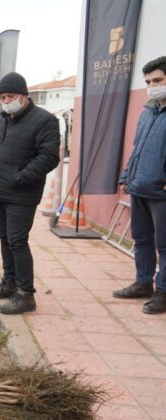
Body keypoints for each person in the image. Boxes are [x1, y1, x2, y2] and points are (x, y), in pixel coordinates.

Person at [0, 72, 60, 315]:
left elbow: (49, 157)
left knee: (17, 241)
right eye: (3, 97)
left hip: (21, 194)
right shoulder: (1, 119)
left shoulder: (44, 120)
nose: (6, 100)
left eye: (10, 95)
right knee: (4, 238)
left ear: (24, 95)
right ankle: (9, 282)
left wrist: (20, 177)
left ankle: (26, 294)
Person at [112, 56, 166, 314]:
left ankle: (163, 292)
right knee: (141, 239)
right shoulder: (147, 111)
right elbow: (137, 149)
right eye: (148, 82)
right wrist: (126, 177)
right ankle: (143, 282)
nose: (152, 86)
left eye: (158, 80)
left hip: (161, 192)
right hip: (139, 185)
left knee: (164, 245)